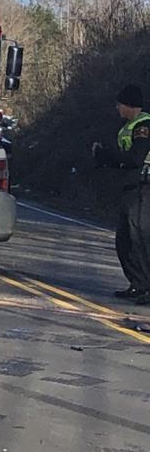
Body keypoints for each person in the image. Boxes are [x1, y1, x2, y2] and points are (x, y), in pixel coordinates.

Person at [92, 84, 150, 301]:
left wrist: (109, 155)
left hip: (144, 187)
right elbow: (125, 160)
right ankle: (137, 284)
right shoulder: (130, 126)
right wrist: (104, 158)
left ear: (128, 105)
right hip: (132, 187)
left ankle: (146, 286)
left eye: (119, 104)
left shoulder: (144, 126)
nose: (117, 108)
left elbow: (135, 158)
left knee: (140, 237)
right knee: (124, 239)